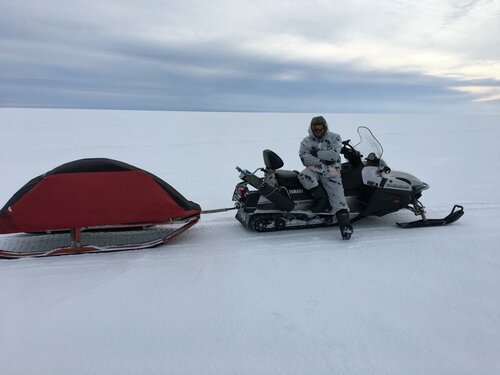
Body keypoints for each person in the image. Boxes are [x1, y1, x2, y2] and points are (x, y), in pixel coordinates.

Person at [298, 116, 353, 240]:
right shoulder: (306, 141)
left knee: (337, 197)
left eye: (320, 128)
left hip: (332, 170)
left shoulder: (335, 137)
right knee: (303, 176)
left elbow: (334, 155)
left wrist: (316, 153)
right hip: (313, 169)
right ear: (312, 128)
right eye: (315, 129)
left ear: (325, 127)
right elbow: (304, 158)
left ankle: (345, 226)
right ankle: (322, 200)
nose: (318, 131)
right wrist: (323, 160)